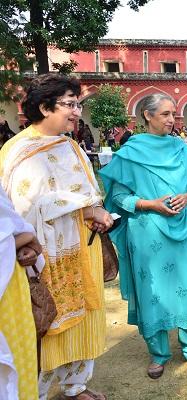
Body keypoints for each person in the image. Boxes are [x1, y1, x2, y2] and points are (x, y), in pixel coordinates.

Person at [0, 73, 113, 400]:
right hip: (42, 256)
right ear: (44, 107)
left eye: (77, 104)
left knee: (81, 323)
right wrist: (83, 209)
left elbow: (89, 193)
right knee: (45, 324)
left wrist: (95, 213)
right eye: (69, 104)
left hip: (81, 248)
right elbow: (18, 208)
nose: (77, 111)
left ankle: (75, 385)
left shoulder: (72, 148)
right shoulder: (16, 151)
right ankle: (33, 392)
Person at [100, 94, 187, 379]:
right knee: (153, 292)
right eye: (165, 114)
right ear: (147, 116)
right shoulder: (129, 153)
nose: (172, 120)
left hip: (183, 230)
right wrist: (150, 204)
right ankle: (158, 353)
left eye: (173, 114)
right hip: (147, 233)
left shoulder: (184, 151)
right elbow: (118, 197)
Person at [0, 186, 43, 400]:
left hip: (9, 283)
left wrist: (24, 243)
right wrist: (25, 237)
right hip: (5, 293)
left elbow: (7, 221)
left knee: (19, 362)